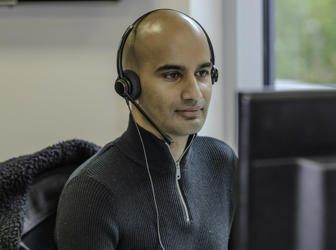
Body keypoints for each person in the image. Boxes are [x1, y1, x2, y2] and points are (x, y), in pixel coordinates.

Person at [54, 9, 237, 250]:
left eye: (202, 73)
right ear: (130, 87)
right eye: (173, 75)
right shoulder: (92, 192)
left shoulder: (221, 162)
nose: (194, 93)